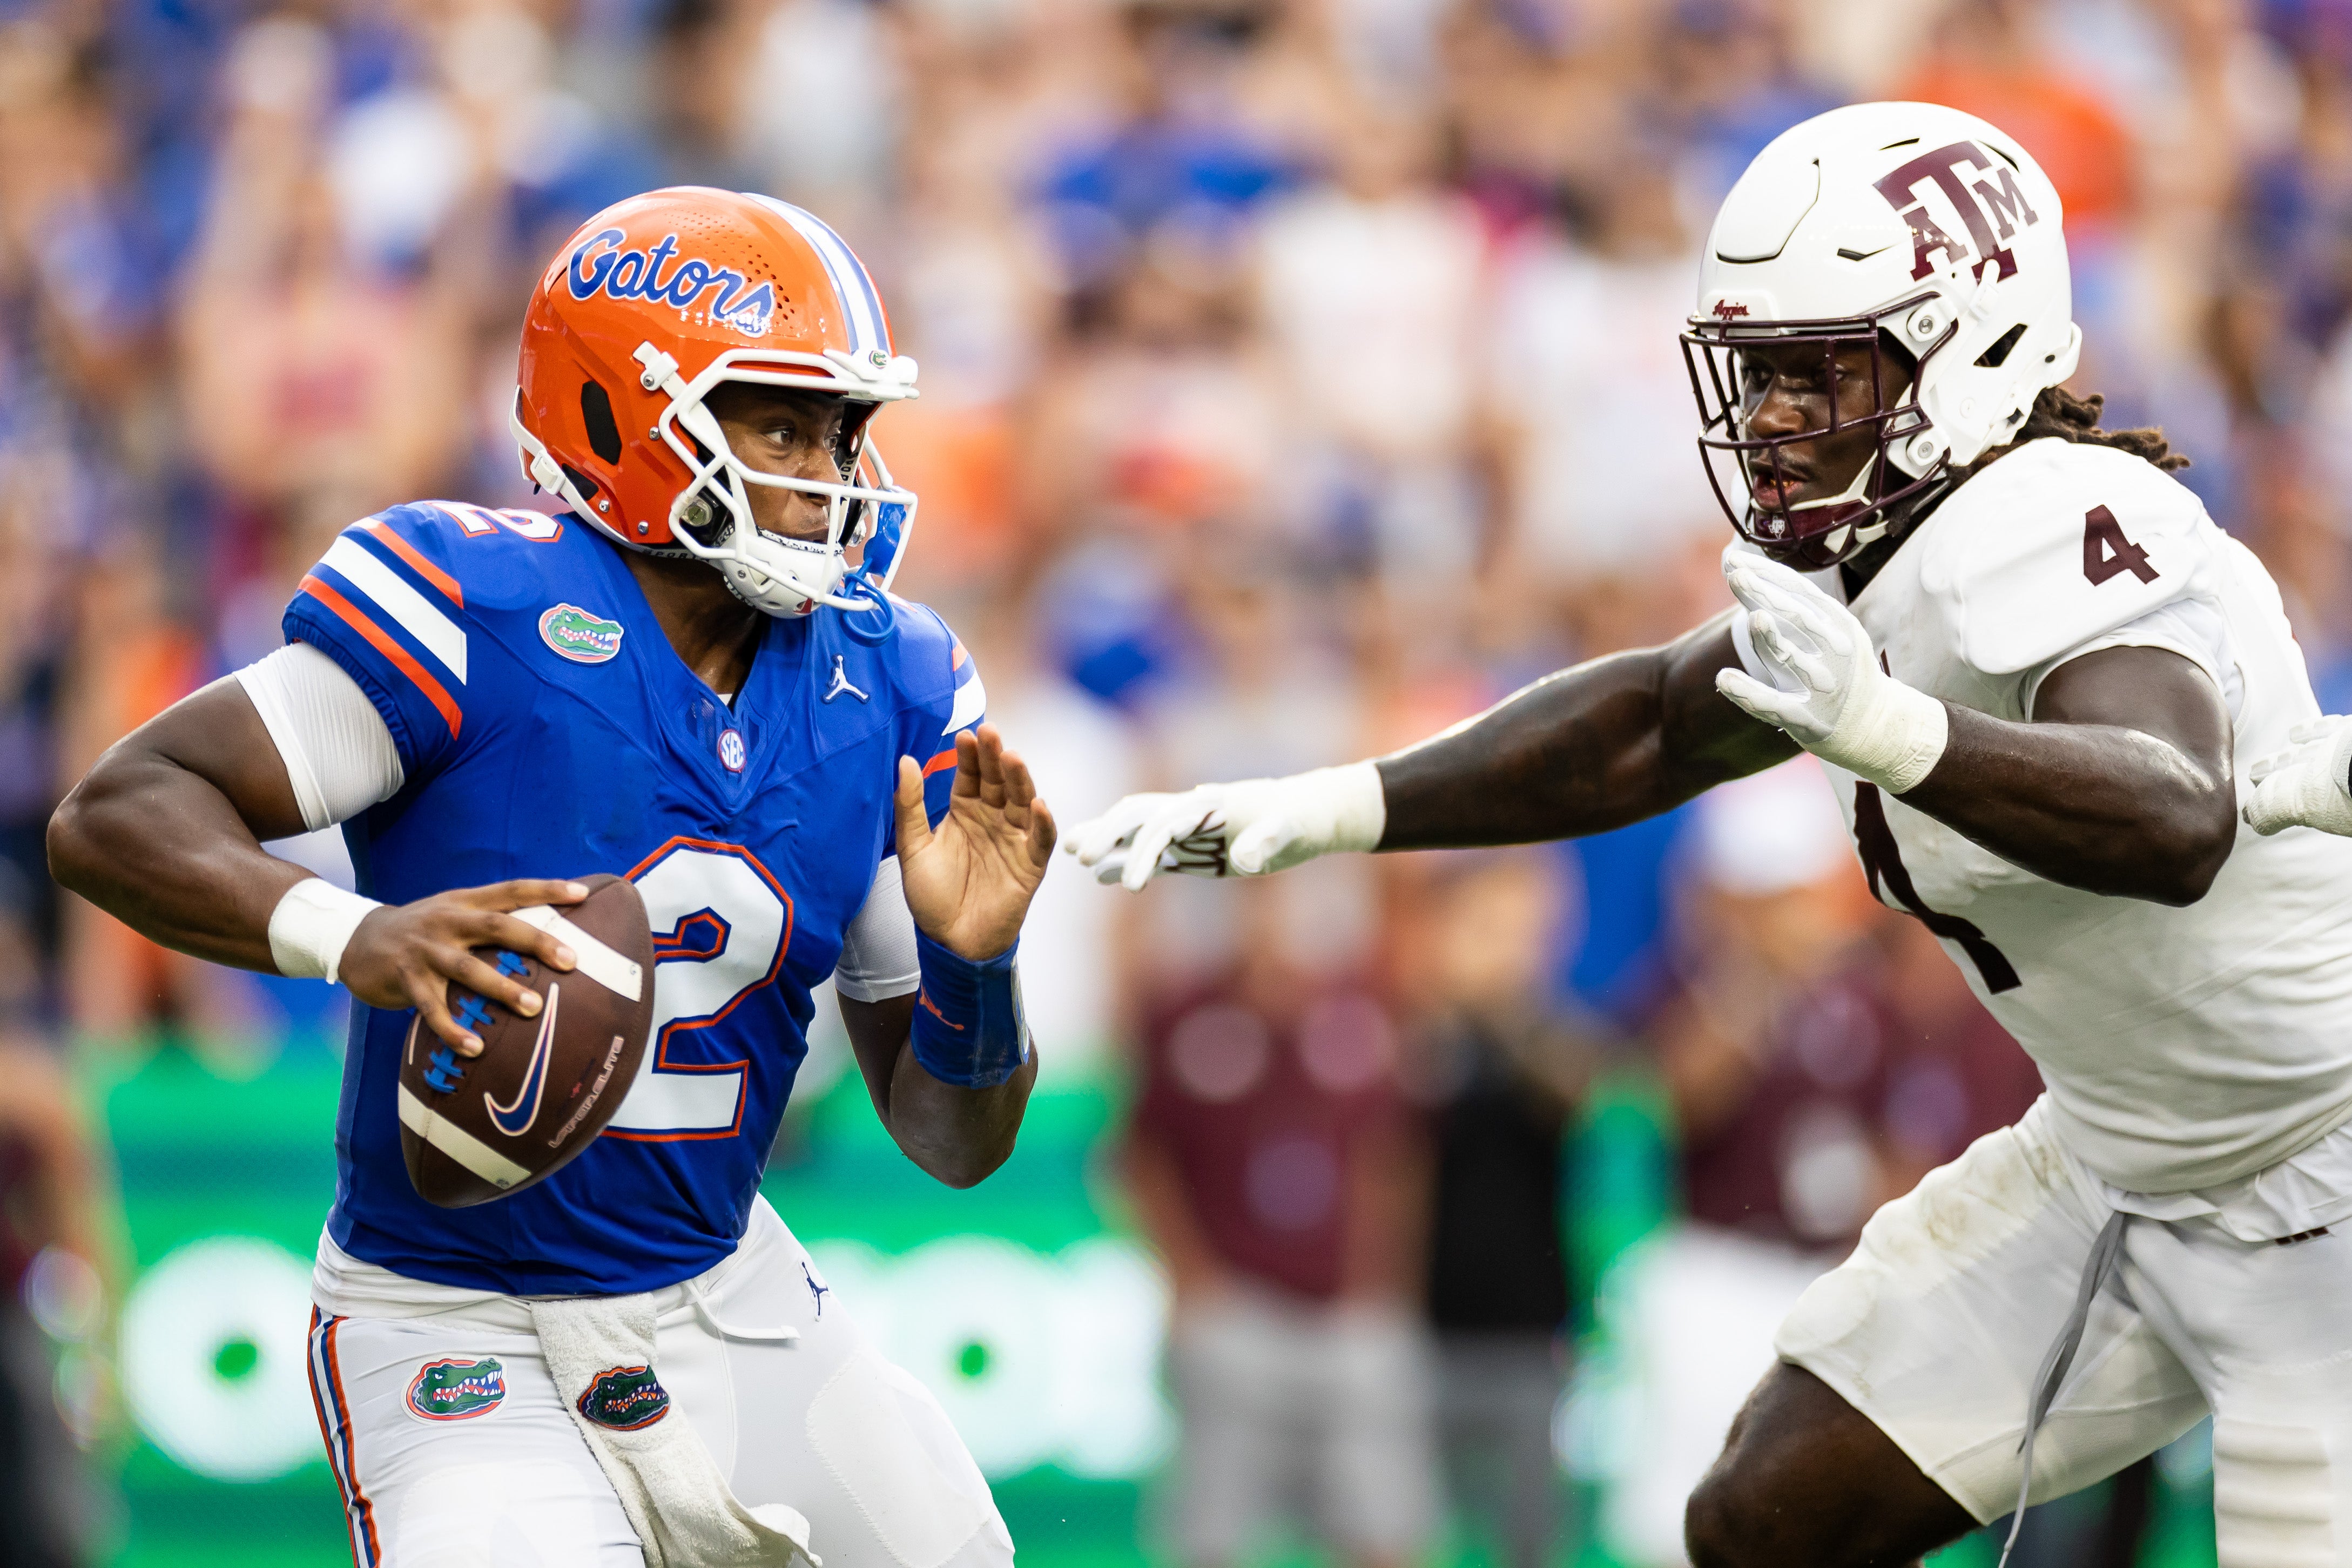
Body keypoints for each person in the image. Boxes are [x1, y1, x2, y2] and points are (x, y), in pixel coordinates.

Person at [1070, 102, 2352, 1568]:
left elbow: (2170, 813)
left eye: (1822, 376)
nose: (1780, 420)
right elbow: (1649, 725)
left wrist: (1890, 736)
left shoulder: (2055, 512)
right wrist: (1322, 811)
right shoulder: (1882, 550)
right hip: (2123, 1159)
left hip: (2319, 1175)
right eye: (1763, 377)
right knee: (1758, 1518)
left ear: (1972, 346)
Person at [47, 188, 1055, 1567]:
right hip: (455, 1319)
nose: (831, 471)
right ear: (620, 419)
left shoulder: (888, 676)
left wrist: (976, 969)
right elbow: (116, 812)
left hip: (722, 1292)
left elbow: (956, 1143)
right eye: (780, 424)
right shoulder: (475, 609)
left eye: (841, 430)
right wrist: (357, 937)